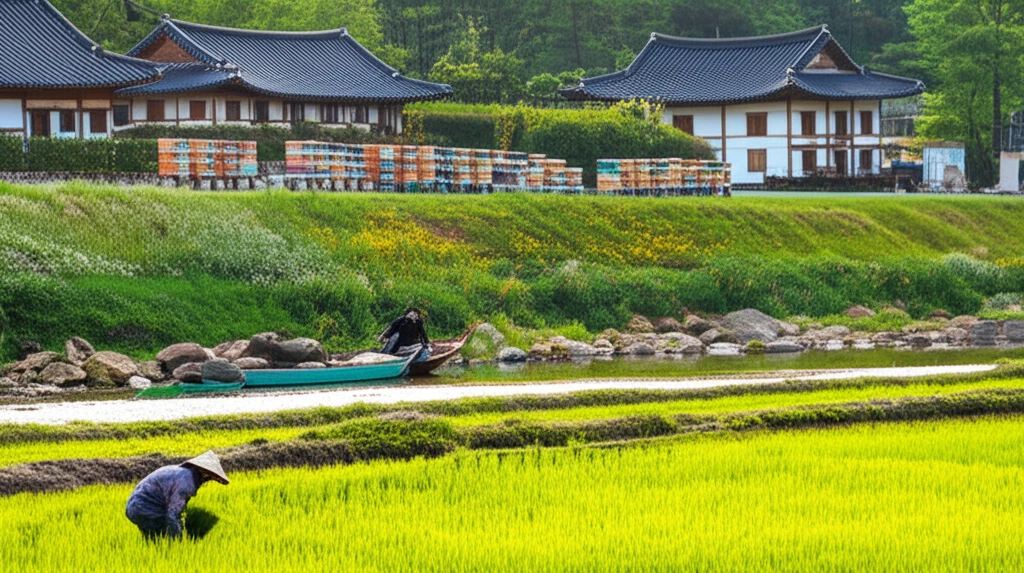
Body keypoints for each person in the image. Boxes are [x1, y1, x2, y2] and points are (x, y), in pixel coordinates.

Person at [125, 451, 229, 539]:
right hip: (146, 509)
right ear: (203, 472)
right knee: (164, 534)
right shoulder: (187, 483)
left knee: (153, 540)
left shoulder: (181, 472)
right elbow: (173, 514)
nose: (209, 480)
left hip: (134, 507)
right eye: (210, 477)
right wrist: (178, 540)